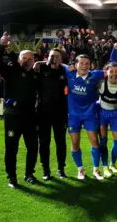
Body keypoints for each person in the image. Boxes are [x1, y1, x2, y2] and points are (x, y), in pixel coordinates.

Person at [0, 33, 39, 188]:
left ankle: (29, 174)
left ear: (34, 61)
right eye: (24, 58)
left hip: (30, 118)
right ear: (19, 60)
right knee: (11, 148)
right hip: (13, 117)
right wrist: (1, 46)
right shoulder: (11, 72)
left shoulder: (35, 75)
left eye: (30, 58)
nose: (27, 60)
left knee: (33, 147)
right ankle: (12, 178)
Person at [64, 55, 105, 180]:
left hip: (90, 114)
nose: (84, 66)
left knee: (94, 141)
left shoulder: (95, 75)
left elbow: (115, 70)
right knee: (75, 142)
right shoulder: (69, 72)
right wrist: (38, 62)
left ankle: (96, 170)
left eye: (87, 63)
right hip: (73, 115)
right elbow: (56, 62)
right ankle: (80, 169)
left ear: (90, 65)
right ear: (75, 65)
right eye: (81, 63)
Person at [35, 48, 68, 180]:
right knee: (44, 142)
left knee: (61, 142)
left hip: (60, 113)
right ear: (48, 56)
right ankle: (46, 170)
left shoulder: (64, 71)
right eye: (52, 55)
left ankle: (61, 169)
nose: (55, 58)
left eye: (57, 56)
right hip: (43, 112)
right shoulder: (41, 69)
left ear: (61, 58)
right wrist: (39, 62)